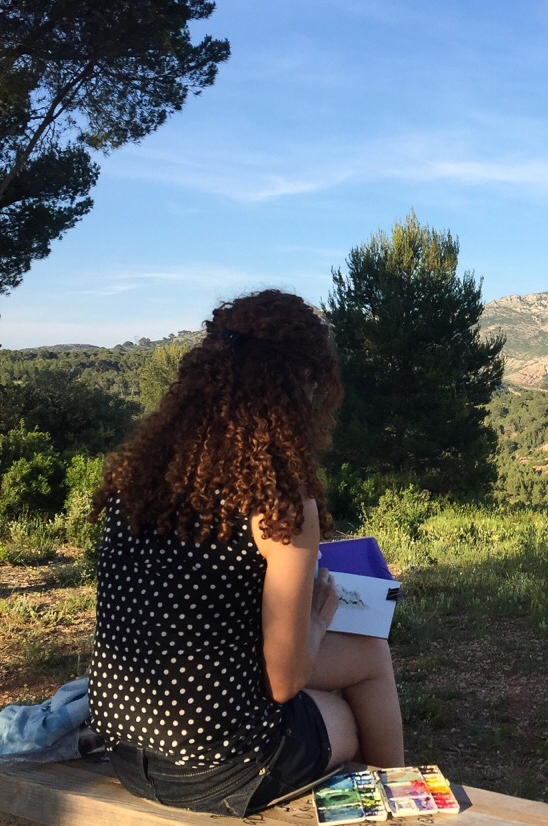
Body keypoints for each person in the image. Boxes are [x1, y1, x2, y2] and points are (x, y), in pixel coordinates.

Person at [88, 290, 404, 817]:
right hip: (217, 771)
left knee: (326, 692)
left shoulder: (138, 480)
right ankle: (402, 801)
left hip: (127, 750)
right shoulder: (276, 503)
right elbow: (285, 683)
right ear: (296, 387)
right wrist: (320, 620)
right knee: (365, 668)